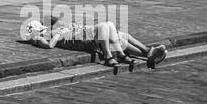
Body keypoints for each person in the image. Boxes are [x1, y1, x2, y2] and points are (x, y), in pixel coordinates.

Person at [22, 17, 167, 68]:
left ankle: (147, 52)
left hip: (86, 34)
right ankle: (111, 56)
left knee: (122, 36)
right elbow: (50, 45)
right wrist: (56, 34)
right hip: (84, 39)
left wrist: (72, 26)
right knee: (106, 26)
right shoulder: (49, 35)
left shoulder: (58, 28)